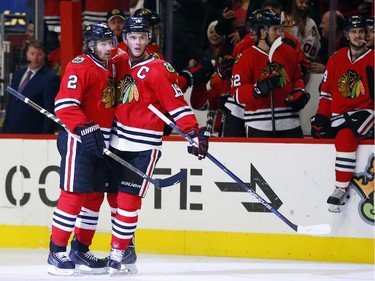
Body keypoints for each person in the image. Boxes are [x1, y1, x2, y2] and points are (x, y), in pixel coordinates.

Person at [107, 17, 210, 274]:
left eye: (142, 37)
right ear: (125, 38)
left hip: (144, 145)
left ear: (149, 38)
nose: (138, 42)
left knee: (129, 201)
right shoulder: (117, 62)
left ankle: (117, 253)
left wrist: (193, 132)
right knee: (114, 198)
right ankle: (127, 244)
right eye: (133, 37)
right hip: (116, 140)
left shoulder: (160, 68)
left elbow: (177, 105)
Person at [47, 23, 117, 276]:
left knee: (95, 196)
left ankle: (80, 248)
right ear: (90, 45)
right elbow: (64, 105)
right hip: (79, 139)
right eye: (102, 43)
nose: (108, 48)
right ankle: (56, 251)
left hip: (103, 140)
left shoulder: (109, 66)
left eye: (110, 42)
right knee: (74, 195)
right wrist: (85, 127)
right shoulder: (80, 65)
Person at [310, 15, 374, 213]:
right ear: (347, 35)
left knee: (347, 135)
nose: (358, 36)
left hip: (368, 114)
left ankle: (340, 187)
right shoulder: (336, 59)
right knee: (341, 132)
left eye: (361, 32)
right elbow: (326, 94)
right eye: (354, 32)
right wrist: (321, 116)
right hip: (341, 117)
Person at [230, 8, 310, 138]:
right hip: (258, 125)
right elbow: (236, 94)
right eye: (274, 29)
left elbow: (298, 79)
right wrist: (256, 89)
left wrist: (299, 91)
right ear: (262, 32)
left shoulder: (289, 52)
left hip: (290, 124)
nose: (279, 33)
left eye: (280, 29)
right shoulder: (245, 57)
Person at [2, 40, 60, 134]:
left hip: (33, 132)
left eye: (39, 54)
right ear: (27, 55)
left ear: (45, 55)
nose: (35, 57)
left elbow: (49, 110)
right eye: (32, 54)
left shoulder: (49, 78)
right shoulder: (18, 74)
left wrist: (45, 135)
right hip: (11, 130)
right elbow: (12, 103)